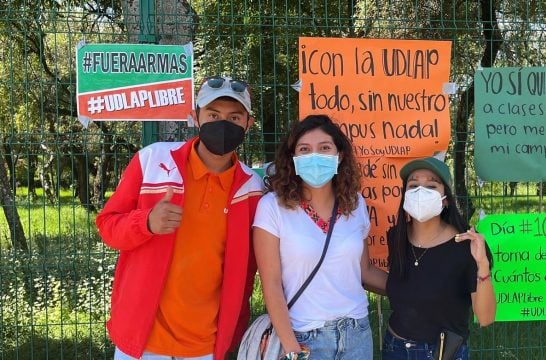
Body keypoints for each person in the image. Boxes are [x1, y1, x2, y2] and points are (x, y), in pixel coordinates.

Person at [95, 76, 265, 360]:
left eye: (234, 117)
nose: (223, 124)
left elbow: (251, 268)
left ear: (248, 123)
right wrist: (146, 222)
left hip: (206, 344)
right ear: (195, 117)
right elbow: (107, 226)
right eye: (213, 115)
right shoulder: (152, 161)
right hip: (142, 340)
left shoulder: (253, 189)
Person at [253, 114, 387, 359]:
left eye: (325, 148)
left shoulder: (355, 204)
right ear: (293, 159)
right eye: (304, 149)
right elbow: (271, 285)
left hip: (356, 334)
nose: (314, 156)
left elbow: (365, 271)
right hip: (303, 337)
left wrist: (415, 290)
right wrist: (293, 349)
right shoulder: (272, 207)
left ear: (340, 155)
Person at [382, 157, 496, 360]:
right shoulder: (396, 237)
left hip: (442, 353)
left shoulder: (465, 246)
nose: (420, 191)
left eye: (431, 186)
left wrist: (482, 264)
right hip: (394, 348)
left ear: (446, 199)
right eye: (413, 185)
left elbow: (486, 318)